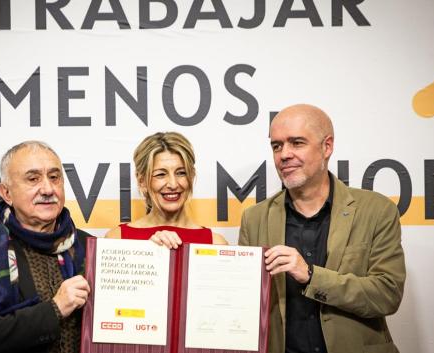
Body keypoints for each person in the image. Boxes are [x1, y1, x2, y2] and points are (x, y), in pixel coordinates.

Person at [239, 104, 406, 353]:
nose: (284, 154)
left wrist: (310, 276)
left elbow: (387, 294)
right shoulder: (254, 218)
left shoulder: (376, 210)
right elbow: (244, 300)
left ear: (327, 146)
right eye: (277, 146)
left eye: (296, 143)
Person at [0, 141, 91, 353]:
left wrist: (158, 255)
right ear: (6, 193)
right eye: (33, 179)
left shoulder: (89, 246)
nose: (47, 189)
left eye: (54, 177)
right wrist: (55, 309)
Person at [105, 132, 227, 247]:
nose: (173, 184)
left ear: (191, 176)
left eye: (181, 173)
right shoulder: (116, 240)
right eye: (161, 174)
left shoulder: (216, 244)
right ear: (142, 182)